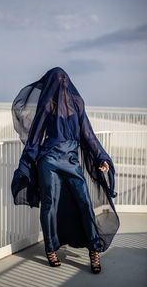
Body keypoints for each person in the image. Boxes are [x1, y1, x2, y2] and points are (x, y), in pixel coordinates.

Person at [11, 67, 120, 274]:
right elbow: (35, 137)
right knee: (49, 204)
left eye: (64, 80)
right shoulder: (47, 105)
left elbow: (88, 134)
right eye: (57, 81)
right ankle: (50, 249)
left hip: (71, 161)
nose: (61, 84)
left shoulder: (77, 104)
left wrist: (101, 157)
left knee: (84, 202)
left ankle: (94, 250)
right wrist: (26, 165)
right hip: (49, 161)